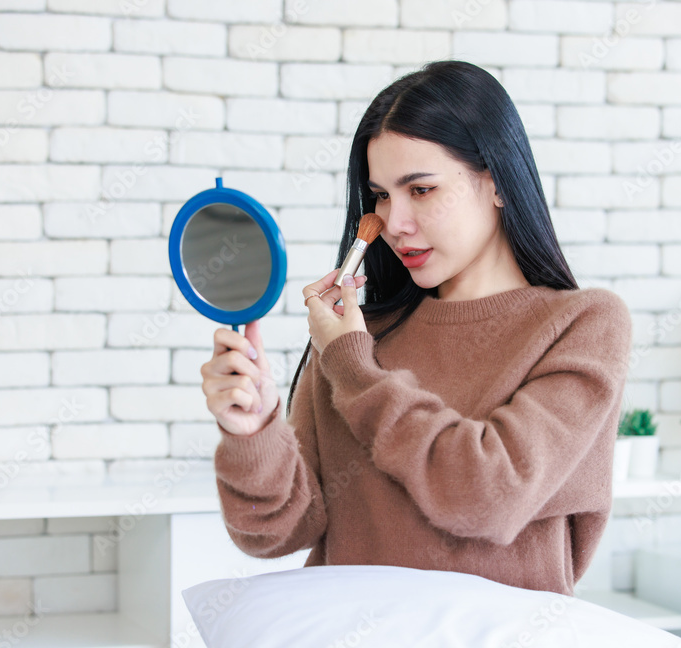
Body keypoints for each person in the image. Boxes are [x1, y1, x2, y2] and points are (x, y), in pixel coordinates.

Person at [200, 60, 633, 596]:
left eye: (421, 190)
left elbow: (487, 496)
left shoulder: (583, 324)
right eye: (380, 195)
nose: (392, 223)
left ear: (496, 182)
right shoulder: (357, 332)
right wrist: (254, 430)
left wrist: (354, 368)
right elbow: (275, 531)